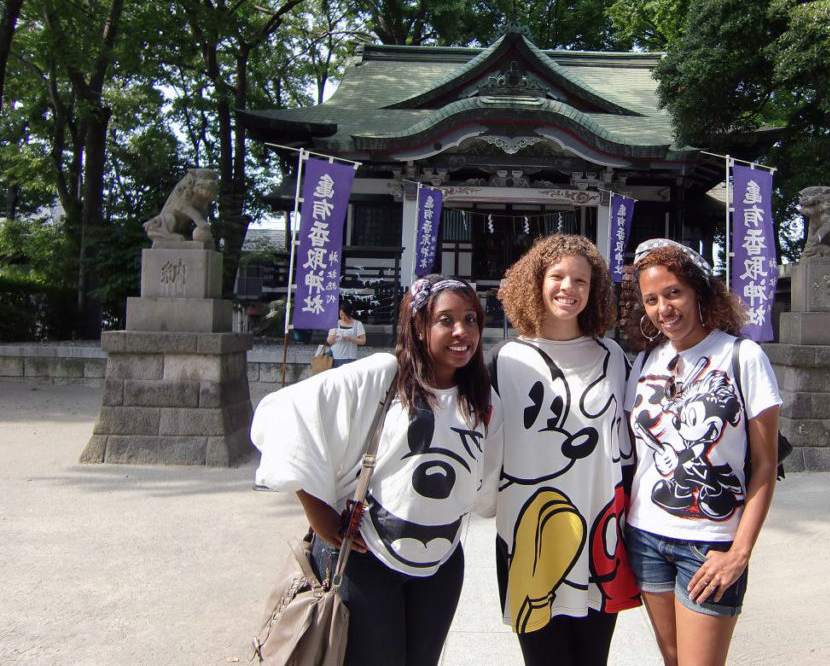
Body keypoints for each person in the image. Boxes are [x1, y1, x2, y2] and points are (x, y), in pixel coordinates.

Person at [251, 274, 498, 666]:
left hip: (442, 563)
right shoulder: (386, 375)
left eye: (470, 319)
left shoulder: (481, 397)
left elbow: (487, 479)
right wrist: (319, 513)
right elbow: (288, 413)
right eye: (445, 320)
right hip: (370, 559)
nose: (461, 331)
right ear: (419, 325)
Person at [622, 238, 782, 666]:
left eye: (673, 293)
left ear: (698, 291)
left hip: (710, 543)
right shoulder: (643, 362)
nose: (663, 308)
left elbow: (766, 465)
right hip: (646, 537)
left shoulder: (741, 356)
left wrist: (740, 552)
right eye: (651, 299)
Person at [488, 233, 640, 666]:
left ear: (594, 293)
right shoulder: (506, 360)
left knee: (594, 659)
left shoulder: (613, 357)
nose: (568, 288)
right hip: (528, 536)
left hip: (601, 534)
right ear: (535, 282)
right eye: (557, 276)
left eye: (581, 281)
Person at [326, 300, 366, 368]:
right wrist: (334, 336)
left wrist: (350, 339)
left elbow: (363, 341)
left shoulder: (357, 324)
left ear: (350, 313)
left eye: (345, 315)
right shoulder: (335, 323)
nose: (343, 317)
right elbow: (329, 341)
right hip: (336, 357)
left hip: (350, 357)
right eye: (341, 315)